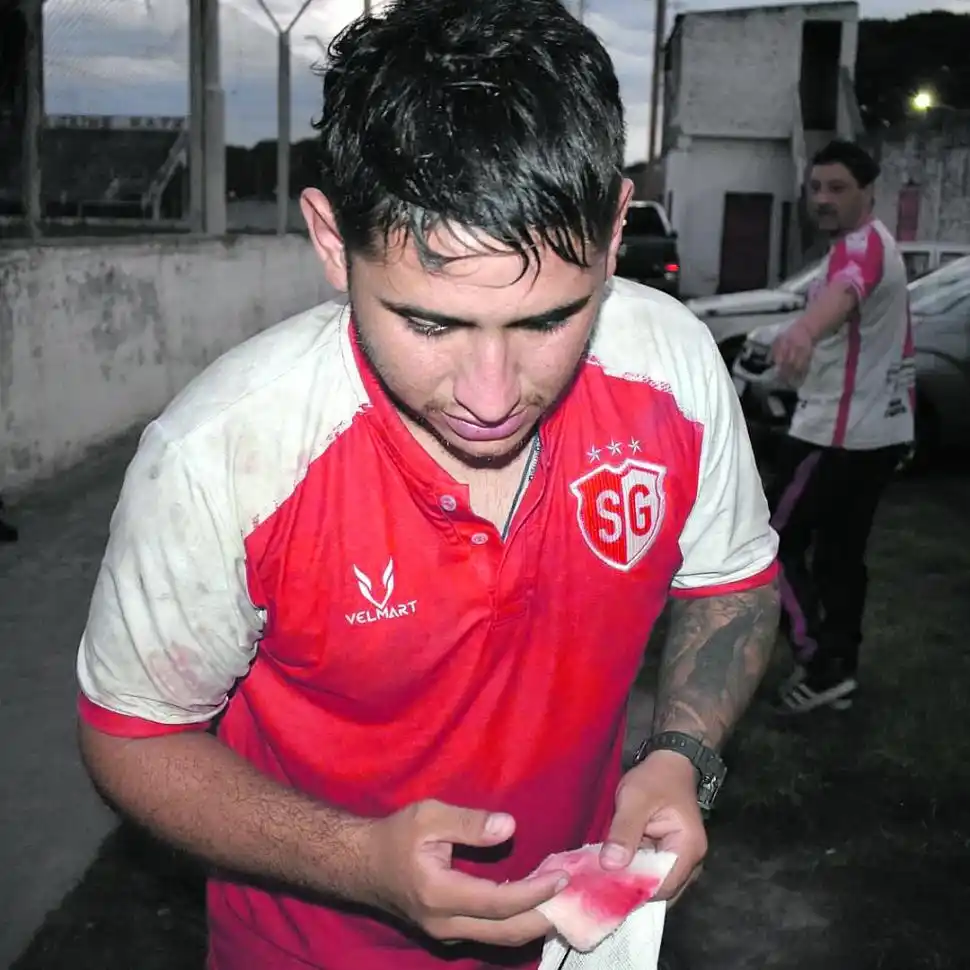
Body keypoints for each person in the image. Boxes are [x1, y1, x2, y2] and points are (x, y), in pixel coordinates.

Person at [75, 1, 780, 967]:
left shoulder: (675, 368)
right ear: (331, 240)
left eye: (546, 321)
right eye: (432, 324)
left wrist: (679, 757)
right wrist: (361, 861)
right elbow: (132, 737)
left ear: (617, 230)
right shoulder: (220, 456)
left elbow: (732, 580)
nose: (491, 397)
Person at [769, 139, 914, 716]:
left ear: (868, 193)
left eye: (838, 188)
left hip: (837, 434)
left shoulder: (862, 248)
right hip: (873, 433)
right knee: (838, 556)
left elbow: (846, 291)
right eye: (816, 188)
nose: (823, 199)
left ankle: (817, 658)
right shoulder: (872, 245)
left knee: (767, 546)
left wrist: (803, 331)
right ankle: (839, 667)